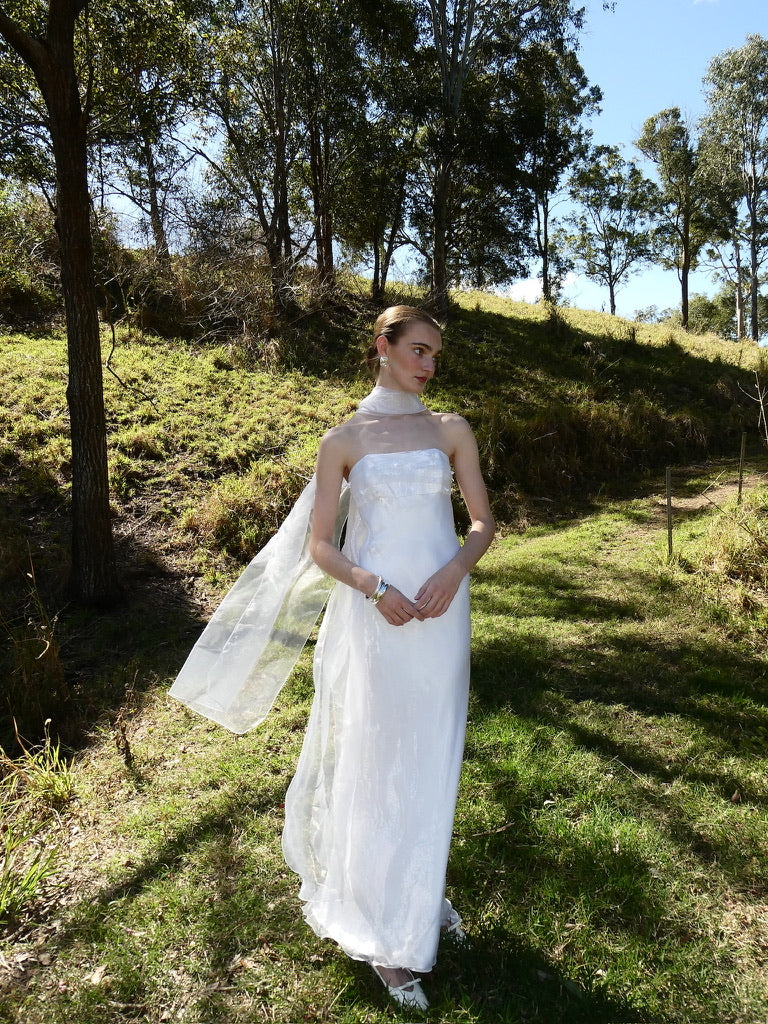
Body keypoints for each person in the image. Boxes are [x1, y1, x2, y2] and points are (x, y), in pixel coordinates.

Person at [280, 305, 495, 1011]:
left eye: (436, 356)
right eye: (419, 351)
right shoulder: (343, 440)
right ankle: (382, 937)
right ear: (384, 347)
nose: (429, 366)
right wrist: (373, 588)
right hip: (379, 612)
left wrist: (454, 571)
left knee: (433, 751)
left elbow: (483, 522)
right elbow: (320, 546)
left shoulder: (449, 430)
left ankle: (423, 894)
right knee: (380, 752)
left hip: (441, 608)